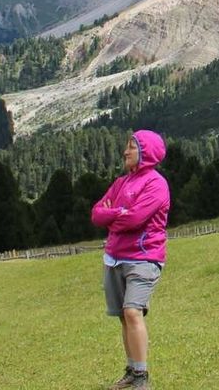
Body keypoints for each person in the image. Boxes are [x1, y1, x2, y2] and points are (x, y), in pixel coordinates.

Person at [91, 130, 171, 390]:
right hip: (115, 258)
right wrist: (118, 212)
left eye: (131, 147)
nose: (125, 152)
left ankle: (141, 379)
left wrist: (114, 217)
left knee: (132, 311)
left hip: (143, 258)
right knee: (123, 318)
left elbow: (135, 219)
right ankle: (132, 369)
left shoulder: (156, 184)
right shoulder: (121, 183)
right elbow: (96, 214)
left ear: (146, 153)